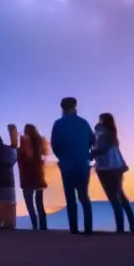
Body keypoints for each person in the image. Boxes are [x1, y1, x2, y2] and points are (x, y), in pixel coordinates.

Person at [50, 96, 95, 235]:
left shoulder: (58, 124)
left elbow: (55, 145)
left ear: (62, 108)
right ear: (74, 107)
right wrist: (87, 154)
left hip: (67, 165)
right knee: (84, 197)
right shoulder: (84, 123)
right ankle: (88, 229)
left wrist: (62, 157)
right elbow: (93, 141)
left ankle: (74, 229)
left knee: (70, 198)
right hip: (82, 165)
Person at [93, 112, 134, 233]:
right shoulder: (113, 135)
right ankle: (131, 226)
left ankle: (120, 228)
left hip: (106, 168)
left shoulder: (101, 132)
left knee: (114, 198)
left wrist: (91, 153)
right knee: (121, 196)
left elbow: (100, 148)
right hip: (118, 166)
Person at [18, 123, 49, 231]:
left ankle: (35, 225)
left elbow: (21, 157)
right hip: (39, 175)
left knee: (29, 203)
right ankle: (43, 225)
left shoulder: (24, 141)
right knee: (40, 204)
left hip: (27, 176)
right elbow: (45, 156)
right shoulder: (41, 141)